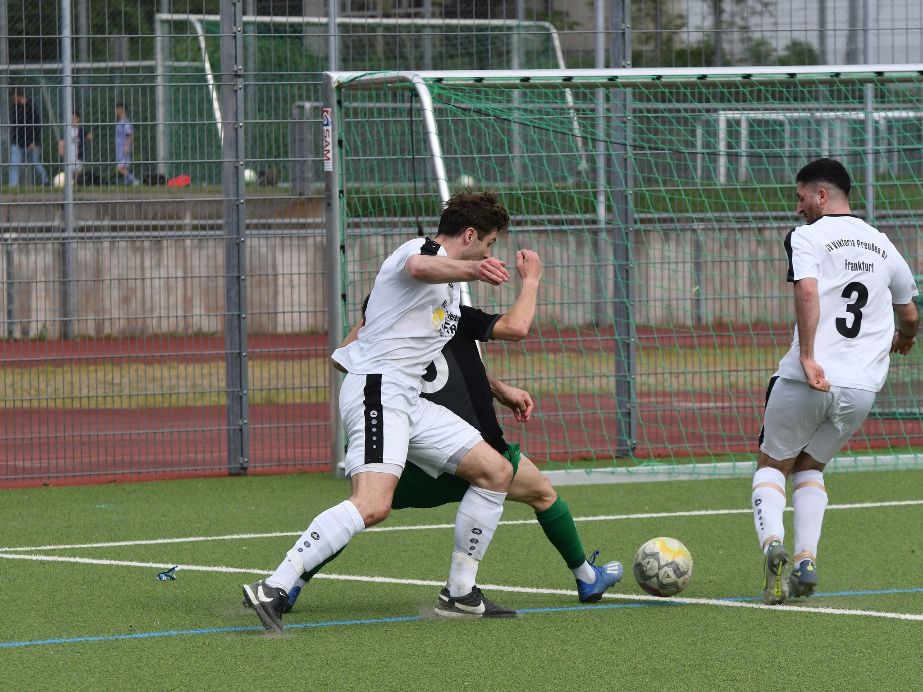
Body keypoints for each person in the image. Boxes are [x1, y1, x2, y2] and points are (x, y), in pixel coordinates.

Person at [278, 252, 623, 615]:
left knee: (361, 509)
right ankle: (584, 577)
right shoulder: (451, 315)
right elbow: (516, 327)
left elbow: (341, 358)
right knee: (542, 493)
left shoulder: (391, 333)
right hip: (469, 453)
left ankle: (292, 583)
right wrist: (532, 280)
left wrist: (369, 318)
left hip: (409, 465)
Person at [244, 191, 522, 633]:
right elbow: (419, 268)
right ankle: (273, 586)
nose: (489, 254)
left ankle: (460, 594)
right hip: (378, 390)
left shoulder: (449, 292)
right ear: (470, 235)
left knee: (496, 471)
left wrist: (498, 387)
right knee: (373, 504)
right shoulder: (420, 250)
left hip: (406, 398)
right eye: (488, 244)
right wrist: (475, 269)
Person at [751, 158, 919, 604]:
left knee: (772, 465)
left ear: (821, 195)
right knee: (810, 468)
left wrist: (808, 356)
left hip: (809, 379)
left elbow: (806, 290)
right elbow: (909, 313)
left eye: (801, 197)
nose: (798, 207)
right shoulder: (883, 244)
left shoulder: (806, 236)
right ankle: (806, 559)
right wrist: (906, 338)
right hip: (860, 389)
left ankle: (773, 546)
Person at [8, 88, 50, 187]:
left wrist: (35, 141)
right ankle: (13, 185)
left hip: (31, 142)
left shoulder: (31, 106)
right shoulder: (14, 107)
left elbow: (37, 125)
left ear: (18, 96)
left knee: (36, 163)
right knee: (14, 163)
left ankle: (46, 182)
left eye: (13, 98)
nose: (12, 101)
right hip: (17, 142)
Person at [58, 111, 92, 184]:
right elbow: (61, 141)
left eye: (75, 118)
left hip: (78, 156)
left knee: (77, 171)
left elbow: (89, 136)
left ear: (78, 119)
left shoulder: (81, 130)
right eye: (71, 118)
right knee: (69, 172)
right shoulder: (66, 129)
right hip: (68, 156)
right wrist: (61, 150)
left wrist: (88, 136)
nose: (73, 120)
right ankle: (70, 184)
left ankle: (75, 184)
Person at [114, 102, 137, 185]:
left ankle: (135, 181)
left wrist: (127, 146)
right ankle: (128, 184)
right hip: (120, 149)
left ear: (121, 109)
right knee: (123, 167)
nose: (115, 111)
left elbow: (129, 134)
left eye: (116, 109)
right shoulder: (121, 122)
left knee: (120, 168)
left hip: (124, 148)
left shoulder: (125, 122)